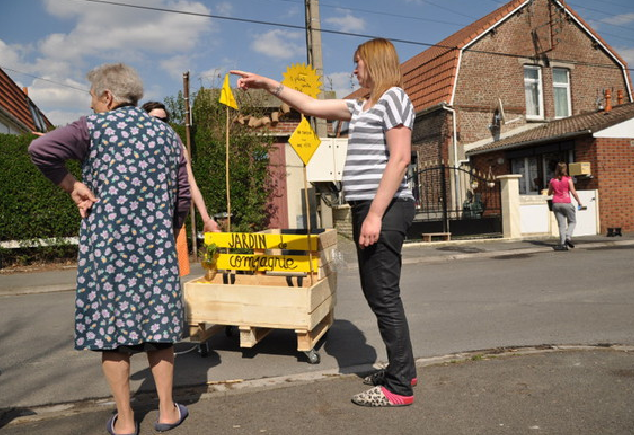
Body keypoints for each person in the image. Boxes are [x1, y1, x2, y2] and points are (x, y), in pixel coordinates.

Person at [232, 37, 417, 407]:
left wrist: (376, 214)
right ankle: (404, 368)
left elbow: (399, 160)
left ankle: (399, 387)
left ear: (375, 63)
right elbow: (312, 105)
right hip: (372, 206)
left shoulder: (394, 97)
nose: (354, 69)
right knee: (377, 291)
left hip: (387, 206)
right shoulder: (363, 105)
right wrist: (269, 84)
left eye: (358, 62)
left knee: (383, 294)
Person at [29, 63, 191, 435]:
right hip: (156, 249)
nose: (93, 104)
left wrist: (71, 184)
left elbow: (40, 149)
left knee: (112, 333)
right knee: (159, 329)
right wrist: (169, 231)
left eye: (93, 97)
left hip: (108, 250)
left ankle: (126, 421)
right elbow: (181, 196)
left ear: (107, 96)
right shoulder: (167, 135)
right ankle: (167, 411)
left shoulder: (92, 127)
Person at [142, 102, 219, 277]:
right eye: (155, 120)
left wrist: (206, 218)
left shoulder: (176, 143)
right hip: (148, 208)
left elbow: (190, 180)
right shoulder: (138, 145)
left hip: (175, 206)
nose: (161, 124)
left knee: (166, 258)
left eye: (165, 120)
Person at [548, 162, 582, 251]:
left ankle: (563, 244)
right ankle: (568, 237)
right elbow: (573, 192)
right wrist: (579, 202)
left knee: (561, 225)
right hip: (566, 202)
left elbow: (549, 193)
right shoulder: (568, 179)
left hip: (556, 203)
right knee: (572, 221)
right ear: (565, 169)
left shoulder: (552, 180)